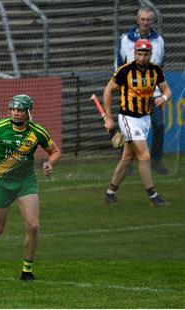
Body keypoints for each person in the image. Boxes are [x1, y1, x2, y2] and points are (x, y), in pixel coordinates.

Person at [0, 94, 61, 281]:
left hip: (26, 182)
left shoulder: (38, 131)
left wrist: (50, 163)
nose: (16, 114)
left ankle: (27, 270)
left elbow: (55, 151)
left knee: (33, 226)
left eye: (20, 110)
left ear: (28, 112)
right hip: (2, 183)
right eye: (13, 110)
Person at [103, 39, 172, 207]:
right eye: (139, 54)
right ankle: (153, 196)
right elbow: (108, 91)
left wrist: (163, 98)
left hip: (144, 119)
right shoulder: (125, 70)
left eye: (145, 54)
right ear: (134, 53)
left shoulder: (155, 70)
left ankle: (110, 192)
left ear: (150, 54)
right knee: (145, 156)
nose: (142, 57)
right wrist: (108, 117)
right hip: (128, 118)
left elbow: (167, 90)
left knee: (128, 158)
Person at [116, 7, 167, 174]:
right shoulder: (125, 39)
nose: (145, 22)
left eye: (148, 20)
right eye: (143, 19)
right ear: (138, 20)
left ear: (152, 21)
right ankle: (127, 163)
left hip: (154, 95)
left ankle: (157, 161)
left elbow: (161, 65)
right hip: (131, 95)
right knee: (130, 131)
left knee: (159, 126)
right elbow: (119, 63)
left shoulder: (159, 40)